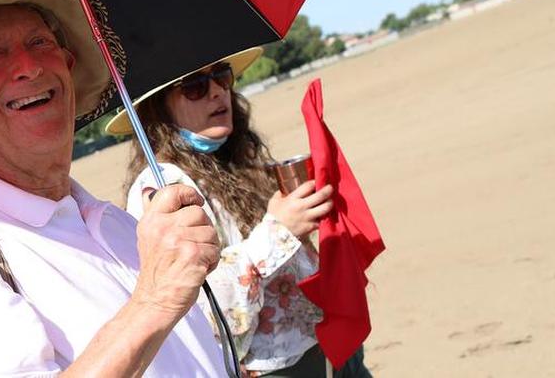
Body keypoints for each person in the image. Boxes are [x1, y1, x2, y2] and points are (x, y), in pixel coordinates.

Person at [0, 0, 228, 377]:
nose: (30, 66)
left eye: (40, 42)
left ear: (67, 64)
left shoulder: (119, 224)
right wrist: (155, 300)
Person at [106, 49, 370, 377]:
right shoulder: (164, 187)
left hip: (330, 348)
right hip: (278, 369)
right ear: (157, 110)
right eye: (194, 86)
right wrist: (279, 231)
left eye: (221, 75)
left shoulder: (232, 159)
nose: (216, 91)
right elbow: (196, 306)